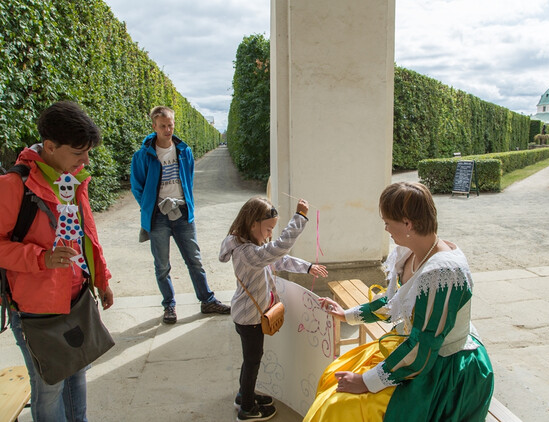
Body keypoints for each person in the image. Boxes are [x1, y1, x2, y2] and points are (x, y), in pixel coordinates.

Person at [305, 182, 494, 422]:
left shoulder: (443, 273)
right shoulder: (412, 252)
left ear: (407, 223)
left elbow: (424, 346)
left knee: (341, 407)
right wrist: (347, 315)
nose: (385, 228)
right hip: (415, 350)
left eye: (387, 222)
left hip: (444, 368)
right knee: (332, 376)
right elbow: (396, 301)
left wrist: (367, 381)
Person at [0, 101, 114, 421]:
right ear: (50, 147)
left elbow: (86, 234)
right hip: (36, 310)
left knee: (77, 373)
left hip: (75, 298)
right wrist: (42, 258)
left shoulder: (73, 178)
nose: (86, 160)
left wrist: (101, 279)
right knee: (49, 387)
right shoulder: (12, 186)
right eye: (79, 152)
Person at [219, 197, 328, 421]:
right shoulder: (246, 253)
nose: (270, 234)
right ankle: (247, 409)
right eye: (268, 229)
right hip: (249, 318)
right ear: (252, 225)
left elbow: (279, 259)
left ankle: (244, 395)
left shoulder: (253, 247)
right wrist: (300, 217)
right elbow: (279, 248)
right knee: (252, 361)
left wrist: (307, 267)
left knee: (251, 359)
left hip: (249, 314)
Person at [131, 106, 229, 324]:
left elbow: (189, 178)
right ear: (154, 126)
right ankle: (169, 306)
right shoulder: (143, 155)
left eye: (170, 125)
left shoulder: (184, 151)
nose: (167, 129)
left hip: (183, 213)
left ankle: (207, 300)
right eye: (163, 125)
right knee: (162, 265)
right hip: (158, 216)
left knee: (194, 260)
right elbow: (137, 185)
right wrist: (150, 206)